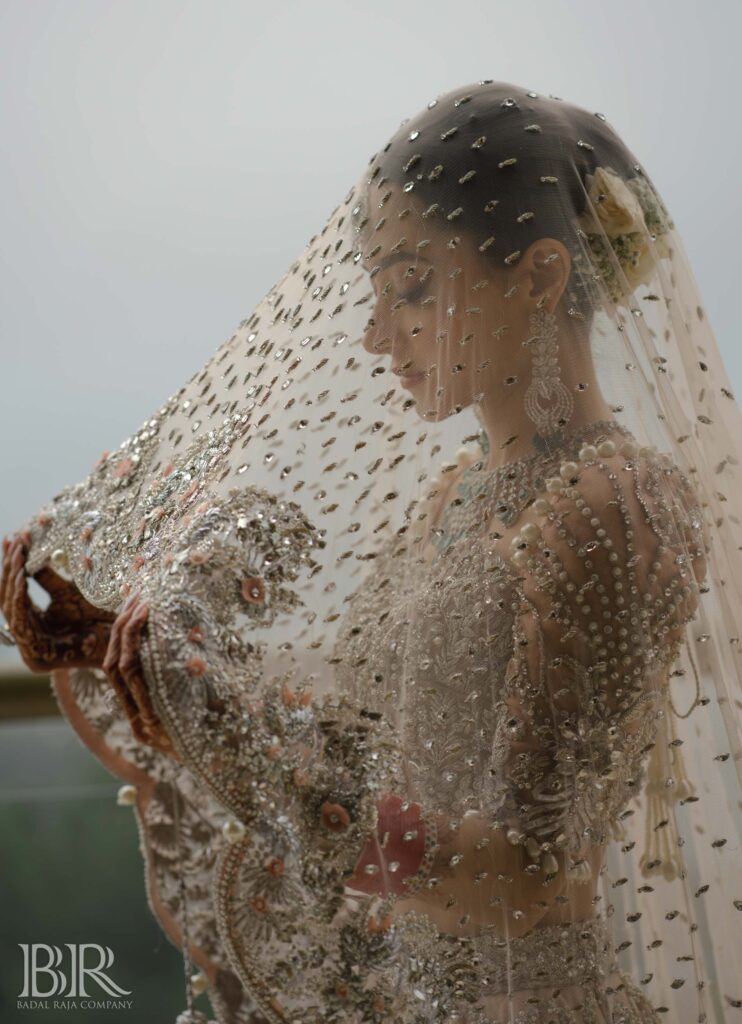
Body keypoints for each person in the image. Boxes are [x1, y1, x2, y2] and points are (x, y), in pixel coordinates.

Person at [2, 80, 741, 1023]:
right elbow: (354, 717)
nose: (376, 337)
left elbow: (533, 876)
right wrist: (145, 661)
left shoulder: (614, 504)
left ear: (542, 276)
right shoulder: (453, 501)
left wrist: (306, 806)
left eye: (411, 287)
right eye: (377, 293)